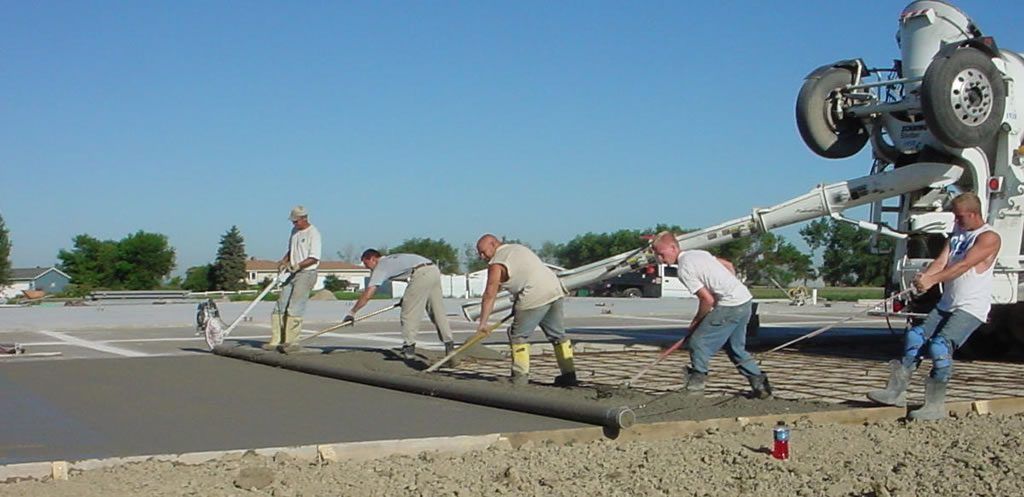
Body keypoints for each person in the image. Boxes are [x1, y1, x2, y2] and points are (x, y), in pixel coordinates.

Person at [867, 192, 1000, 420]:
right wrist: (924, 280)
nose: (956, 221)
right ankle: (895, 392)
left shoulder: (989, 238)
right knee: (915, 337)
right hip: (947, 304)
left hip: (971, 307)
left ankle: (935, 406)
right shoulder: (957, 234)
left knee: (940, 347)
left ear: (974, 214)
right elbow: (941, 262)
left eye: (960, 217)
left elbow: (965, 265)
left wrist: (933, 280)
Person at [650, 231, 772, 398]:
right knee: (735, 348)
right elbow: (728, 265)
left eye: (661, 254)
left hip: (730, 305)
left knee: (698, 342)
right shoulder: (698, 254)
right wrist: (729, 287)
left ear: (673, 247)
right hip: (744, 300)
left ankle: (696, 387)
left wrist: (696, 322)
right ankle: (761, 386)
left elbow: (707, 300)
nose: (659, 259)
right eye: (656, 255)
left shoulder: (684, 269)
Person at [475, 234, 577, 386]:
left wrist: (483, 323)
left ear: (494, 244)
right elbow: (525, 274)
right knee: (558, 335)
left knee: (518, 336)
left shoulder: (497, 262)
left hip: (534, 294)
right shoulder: (518, 248)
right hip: (554, 289)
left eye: (484, 252)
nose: (482, 257)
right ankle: (569, 375)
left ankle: (520, 377)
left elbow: (490, 293)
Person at [345, 249, 456, 360]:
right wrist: (408, 297)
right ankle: (449, 345)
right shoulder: (391, 260)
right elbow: (412, 281)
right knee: (436, 311)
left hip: (421, 273)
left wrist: (352, 312)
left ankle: (409, 347)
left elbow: (368, 293)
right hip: (433, 270)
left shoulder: (381, 266)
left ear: (372, 259)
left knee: (408, 312)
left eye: (366, 263)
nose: (366, 267)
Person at [264, 205, 321, 352]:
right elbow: (292, 250)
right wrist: (284, 261)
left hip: (306, 273)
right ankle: (277, 339)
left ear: (304, 218)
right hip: (292, 273)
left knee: (295, 307)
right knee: (280, 305)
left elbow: (314, 258)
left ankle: (291, 342)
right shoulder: (294, 232)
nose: (294, 224)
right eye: (293, 222)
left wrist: (298, 266)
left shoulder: (313, 234)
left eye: (296, 221)